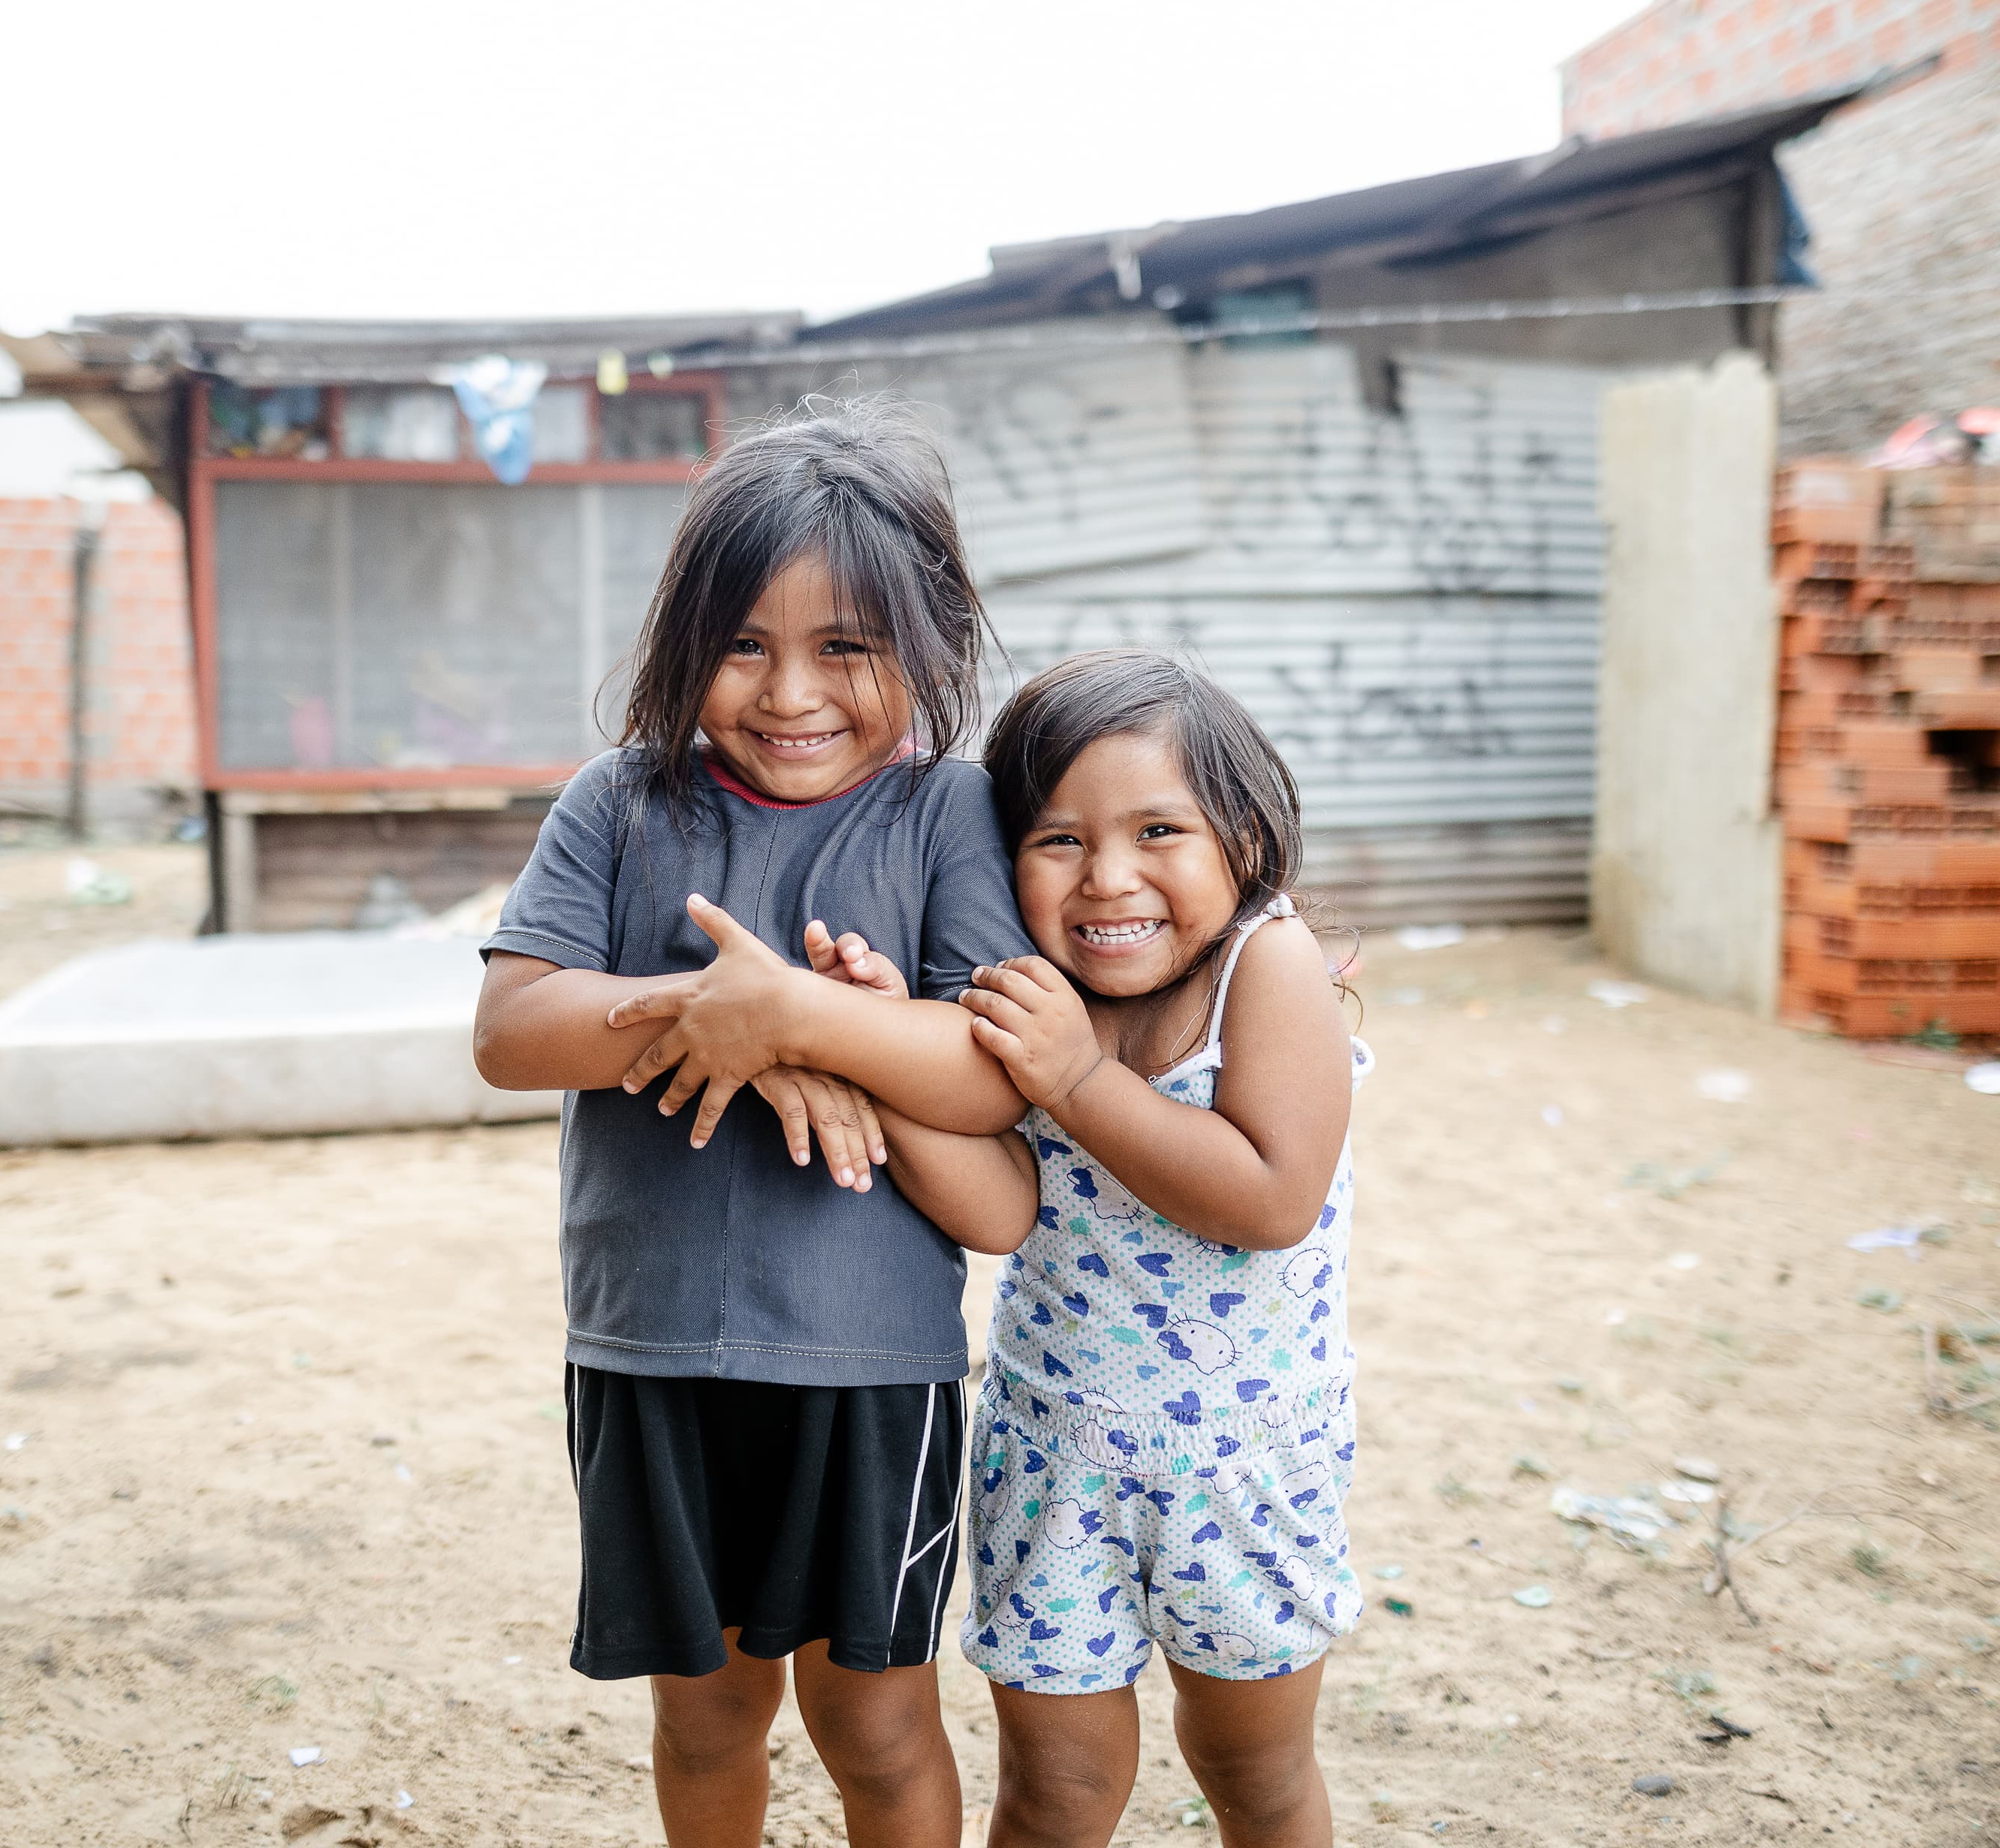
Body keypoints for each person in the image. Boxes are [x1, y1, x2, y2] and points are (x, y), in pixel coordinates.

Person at [472, 397, 1035, 1848]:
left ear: (928, 645)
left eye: (847, 647)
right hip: (649, 1346)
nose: (792, 693)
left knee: (879, 1720)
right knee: (707, 1709)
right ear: (682, 639)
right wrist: (710, 1013)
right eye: (743, 644)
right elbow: (512, 1031)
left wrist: (798, 1018)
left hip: (871, 1365)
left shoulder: (946, 815)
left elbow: (986, 1077)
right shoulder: (621, 803)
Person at [825, 648, 1371, 1848]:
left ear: (1244, 836)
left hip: (1247, 1468)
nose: (1109, 876)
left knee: (1256, 1776)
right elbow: (997, 1203)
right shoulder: (1028, 992)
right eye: (1057, 839)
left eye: (1160, 829)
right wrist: (876, 1045)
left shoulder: (1263, 968)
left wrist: (1074, 1078)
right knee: (1058, 1794)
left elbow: (1271, 1197)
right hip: (1057, 1457)